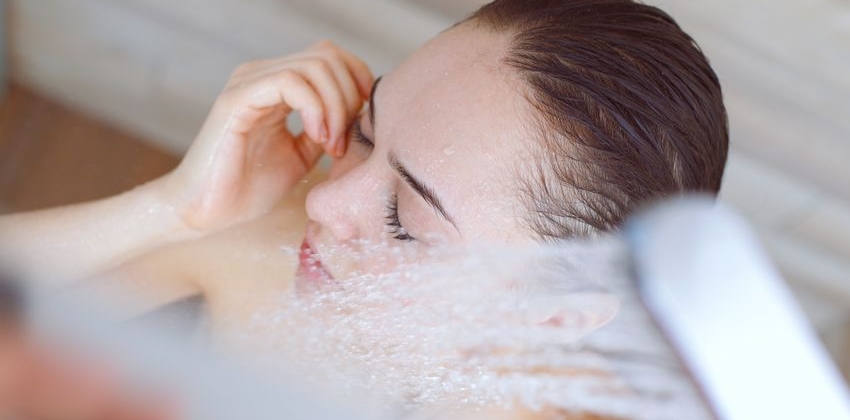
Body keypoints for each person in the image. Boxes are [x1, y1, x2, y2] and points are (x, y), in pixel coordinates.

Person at [0, 0, 728, 418]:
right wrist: (172, 209)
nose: (323, 197)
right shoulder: (264, 242)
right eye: (366, 132)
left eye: (406, 223)